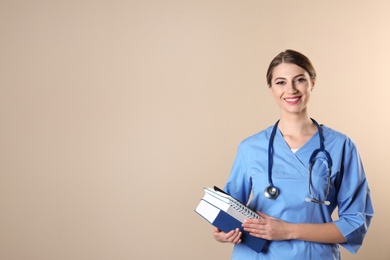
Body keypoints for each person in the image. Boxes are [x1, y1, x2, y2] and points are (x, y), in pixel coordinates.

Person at [212, 49, 374, 259]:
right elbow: (229, 211)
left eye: (299, 80)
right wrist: (222, 233)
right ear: (271, 88)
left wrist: (288, 230)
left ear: (312, 83)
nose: (291, 90)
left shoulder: (341, 146)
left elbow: (355, 222)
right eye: (280, 82)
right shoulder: (250, 147)